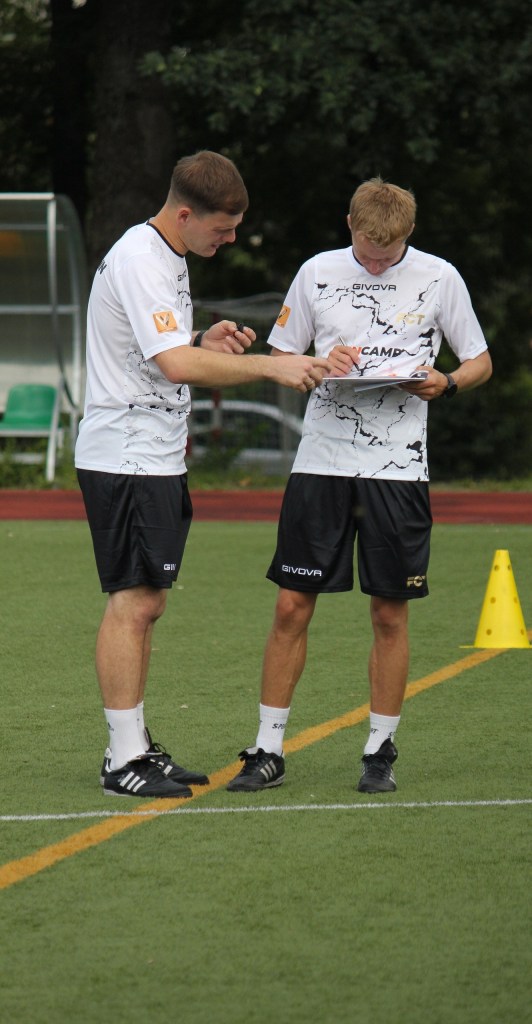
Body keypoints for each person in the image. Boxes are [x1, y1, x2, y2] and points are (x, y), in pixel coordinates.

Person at [75, 150, 330, 799]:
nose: (232, 239)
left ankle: (133, 746)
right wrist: (271, 366)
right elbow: (174, 366)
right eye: (224, 227)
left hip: (152, 455)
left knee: (147, 601)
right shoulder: (142, 257)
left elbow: (162, 351)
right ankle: (123, 761)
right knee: (133, 602)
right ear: (185, 214)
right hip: (127, 454)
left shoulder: (167, 254)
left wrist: (199, 341)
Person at [227, 176, 492, 795]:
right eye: (368, 252)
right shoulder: (316, 272)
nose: (375, 263)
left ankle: (379, 750)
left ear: (409, 234)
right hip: (320, 462)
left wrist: (447, 382)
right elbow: (282, 358)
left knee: (389, 612)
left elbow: (479, 360)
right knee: (291, 605)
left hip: (398, 469)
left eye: (388, 253)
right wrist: (321, 365)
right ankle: (268, 748)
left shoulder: (440, 277)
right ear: (350, 224)